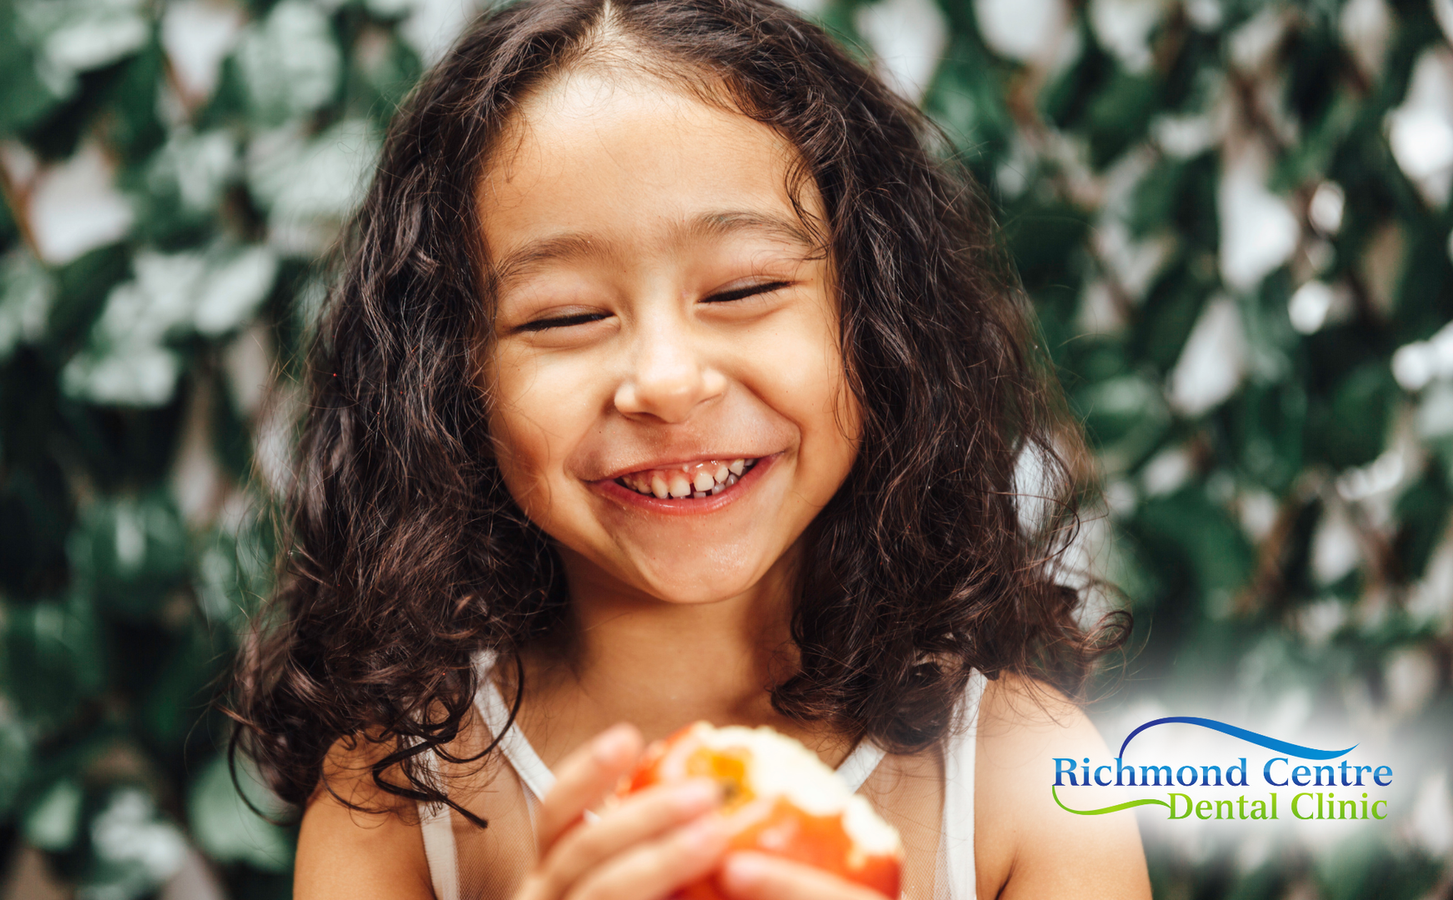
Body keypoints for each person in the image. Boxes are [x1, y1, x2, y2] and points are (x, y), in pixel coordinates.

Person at [228, 1, 1150, 898]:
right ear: (447, 384)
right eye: (566, 315)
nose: (667, 382)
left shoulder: (1030, 783)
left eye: (746, 289)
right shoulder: (396, 800)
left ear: (878, 321)